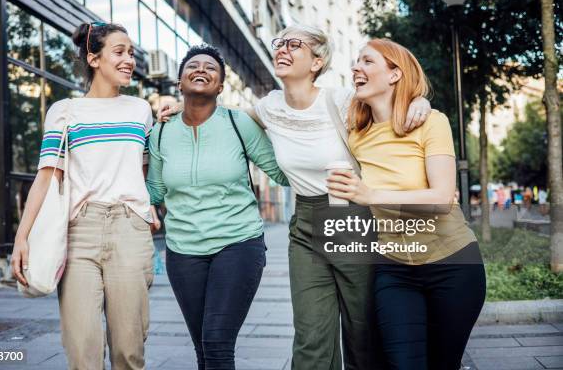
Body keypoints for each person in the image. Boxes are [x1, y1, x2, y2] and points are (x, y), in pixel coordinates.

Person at [159, 24, 432, 369]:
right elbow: (214, 117)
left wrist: (418, 100)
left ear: (317, 61)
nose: (282, 50)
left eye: (294, 45)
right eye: (280, 43)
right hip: (305, 224)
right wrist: (176, 105)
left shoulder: (342, 100)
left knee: (362, 333)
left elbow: (394, 104)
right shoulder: (269, 107)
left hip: (353, 219)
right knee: (310, 337)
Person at [327, 38, 486, 370]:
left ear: (395, 74)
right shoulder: (355, 133)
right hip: (394, 268)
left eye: (367, 61)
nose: (356, 67)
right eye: (355, 61)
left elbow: (442, 198)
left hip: (453, 263)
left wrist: (371, 196)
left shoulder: (432, 122)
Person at [11, 22, 158, 370]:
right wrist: (22, 237)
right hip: (79, 231)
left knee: (128, 351)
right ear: (93, 58)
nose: (128, 60)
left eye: (131, 53)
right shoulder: (65, 111)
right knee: (82, 351)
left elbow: (145, 170)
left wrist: (149, 207)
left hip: (129, 228)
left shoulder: (140, 111)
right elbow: (46, 177)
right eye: (119, 52)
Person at [146, 44, 289, 370]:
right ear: (179, 83)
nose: (201, 70)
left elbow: (279, 171)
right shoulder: (161, 132)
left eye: (210, 68)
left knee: (216, 341)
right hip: (183, 252)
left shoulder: (239, 123)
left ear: (221, 86)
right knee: (203, 347)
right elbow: (154, 190)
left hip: (237, 243)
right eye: (192, 66)